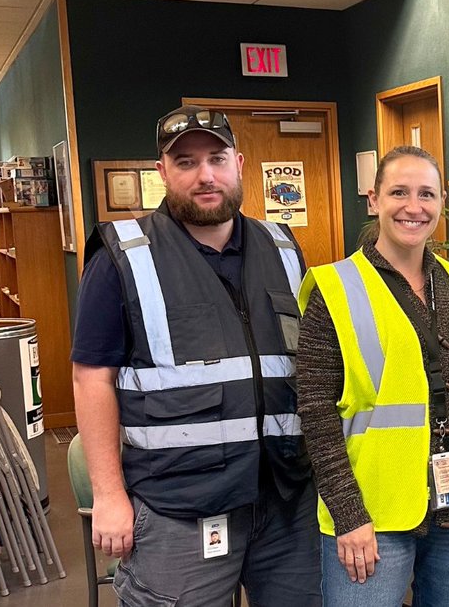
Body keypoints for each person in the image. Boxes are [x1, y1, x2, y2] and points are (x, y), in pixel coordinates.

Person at [71, 105, 321, 606]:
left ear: (239, 163)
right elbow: (91, 379)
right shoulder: (123, 255)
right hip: (179, 504)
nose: (205, 175)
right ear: (162, 172)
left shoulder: (284, 247)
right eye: (185, 162)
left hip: (286, 496)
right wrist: (109, 495)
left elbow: (310, 365)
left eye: (216, 158)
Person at [296, 145, 449, 607]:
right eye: (399, 192)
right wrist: (348, 514)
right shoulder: (336, 289)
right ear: (373, 200)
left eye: (427, 194)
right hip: (374, 507)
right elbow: (315, 413)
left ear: (441, 205)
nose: (414, 207)